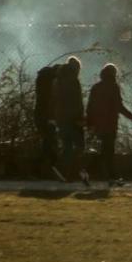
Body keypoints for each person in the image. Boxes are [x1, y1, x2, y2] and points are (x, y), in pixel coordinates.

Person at [86, 64, 132, 187]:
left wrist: (90, 123)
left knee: (104, 151)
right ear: (113, 74)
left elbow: (90, 107)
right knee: (108, 151)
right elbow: (118, 105)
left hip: (98, 125)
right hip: (110, 124)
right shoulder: (114, 87)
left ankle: (96, 173)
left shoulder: (96, 87)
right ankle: (109, 176)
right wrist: (129, 115)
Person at [53, 56, 89, 186]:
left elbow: (56, 100)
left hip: (61, 118)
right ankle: (74, 172)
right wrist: (80, 118)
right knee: (80, 146)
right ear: (76, 68)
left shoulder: (58, 80)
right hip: (73, 119)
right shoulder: (73, 81)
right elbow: (77, 101)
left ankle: (63, 170)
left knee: (67, 146)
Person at [34, 64, 65, 182]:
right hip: (47, 116)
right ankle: (48, 168)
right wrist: (51, 117)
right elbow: (51, 100)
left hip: (40, 115)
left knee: (48, 142)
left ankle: (43, 168)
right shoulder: (51, 83)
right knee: (50, 142)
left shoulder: (42, 79)